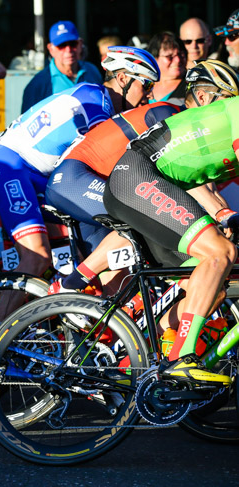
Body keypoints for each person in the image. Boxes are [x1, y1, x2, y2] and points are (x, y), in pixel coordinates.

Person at [0, 46, 159, 321]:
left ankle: (114, 335)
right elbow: (110, 162)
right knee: (38, 256)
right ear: (123, 79)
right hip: (10, 168)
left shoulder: (101, 101)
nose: (149, 95)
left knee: (106, 243)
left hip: (39, 176)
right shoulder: (95, 101)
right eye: (146, 85)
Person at [46, 59, 239, 300]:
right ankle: (70, 284)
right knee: (142, 217)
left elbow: (206, 189)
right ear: (202, 96)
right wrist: (221, 213)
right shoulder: (169, 113)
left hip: (100, 182)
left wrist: (224, 215)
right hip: (76, 177)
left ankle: (112, 323)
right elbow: (201, 192)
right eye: (226, 101)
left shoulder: (193, 130)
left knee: (123, 282)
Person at [103, 78, 239, 387]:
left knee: (215, 280)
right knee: (219, 252)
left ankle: (131, 366)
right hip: (135, 177)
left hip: (149, 180)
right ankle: (181, 358)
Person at [21, 20, 103, 112]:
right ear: (51, 49)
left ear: (80, 44)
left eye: (73, 44)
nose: (68, 50)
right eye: (61, 45)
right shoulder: (38, 84)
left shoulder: (92, 71)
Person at [148, 31, 187, 104]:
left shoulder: (192, 87)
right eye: (169, 56)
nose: (178, 60)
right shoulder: (144, 84)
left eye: (180, 54)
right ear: (154, 59)